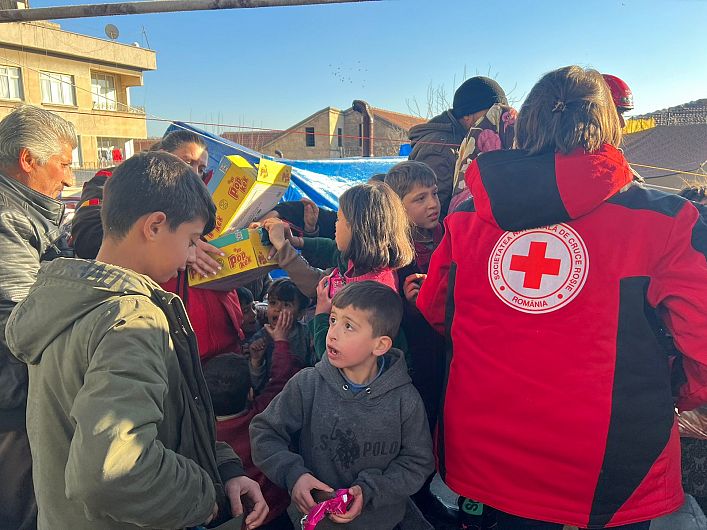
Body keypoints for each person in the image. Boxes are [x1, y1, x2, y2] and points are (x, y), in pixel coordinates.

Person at [416, 65, 707, 530]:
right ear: (610, 125)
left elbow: (436, 312)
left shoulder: (466, 217)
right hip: (613, 472)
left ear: (526, 124)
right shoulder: (668, 221)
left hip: (486, 462)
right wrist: (673, 393)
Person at [6, 151, 268, 529]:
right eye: (191, 240)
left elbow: (164, 421)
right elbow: (113, 469)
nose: (191, 256)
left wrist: (223, 467)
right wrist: (203, 495)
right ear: (155, 226)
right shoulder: (129, 320)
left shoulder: (68, 300)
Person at [250, 281, 434, 530]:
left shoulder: (405, 400)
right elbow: (264, 432)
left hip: (379, 523)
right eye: (333, 320)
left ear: (380, 345)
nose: (332, 333)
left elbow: (418, 462)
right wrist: (294, 475)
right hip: (314, 521)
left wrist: (370, 490)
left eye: (348, 326)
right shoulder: (308, 384)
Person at [72, 129, 244, 362]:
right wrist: (184, 245)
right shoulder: (119, 181)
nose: (194, 173)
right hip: (164, 336)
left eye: (201, 168)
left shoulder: (202, 197)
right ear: (161, 156)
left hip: (215, 341)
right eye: (187, 162)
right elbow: (90, 235)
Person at [0, 104, 77, 529]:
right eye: (63, 164)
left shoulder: (26, 213)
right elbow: (20, 327)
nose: (69, 179)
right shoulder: (7, 219)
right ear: (28, 160)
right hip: (12, 401)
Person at [204, 311, 303, 528]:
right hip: (275, 511)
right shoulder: (262, 416)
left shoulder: (201, 436)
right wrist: (281, 341)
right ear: (250, 393)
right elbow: (281, 381)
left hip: (237, 519)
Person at [408, 76, 508, 216]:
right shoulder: (441, 148)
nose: (497, 120)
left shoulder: (468, 141)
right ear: (467, 115)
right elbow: (433, 213)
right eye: (491, 114)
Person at [246, 278, 313, 393]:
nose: (277, 309)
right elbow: (256, 385)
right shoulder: (260, 339)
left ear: (300, 313)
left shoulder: (307, 335)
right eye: (273, 303)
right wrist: (256, 361)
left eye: (286, 305)